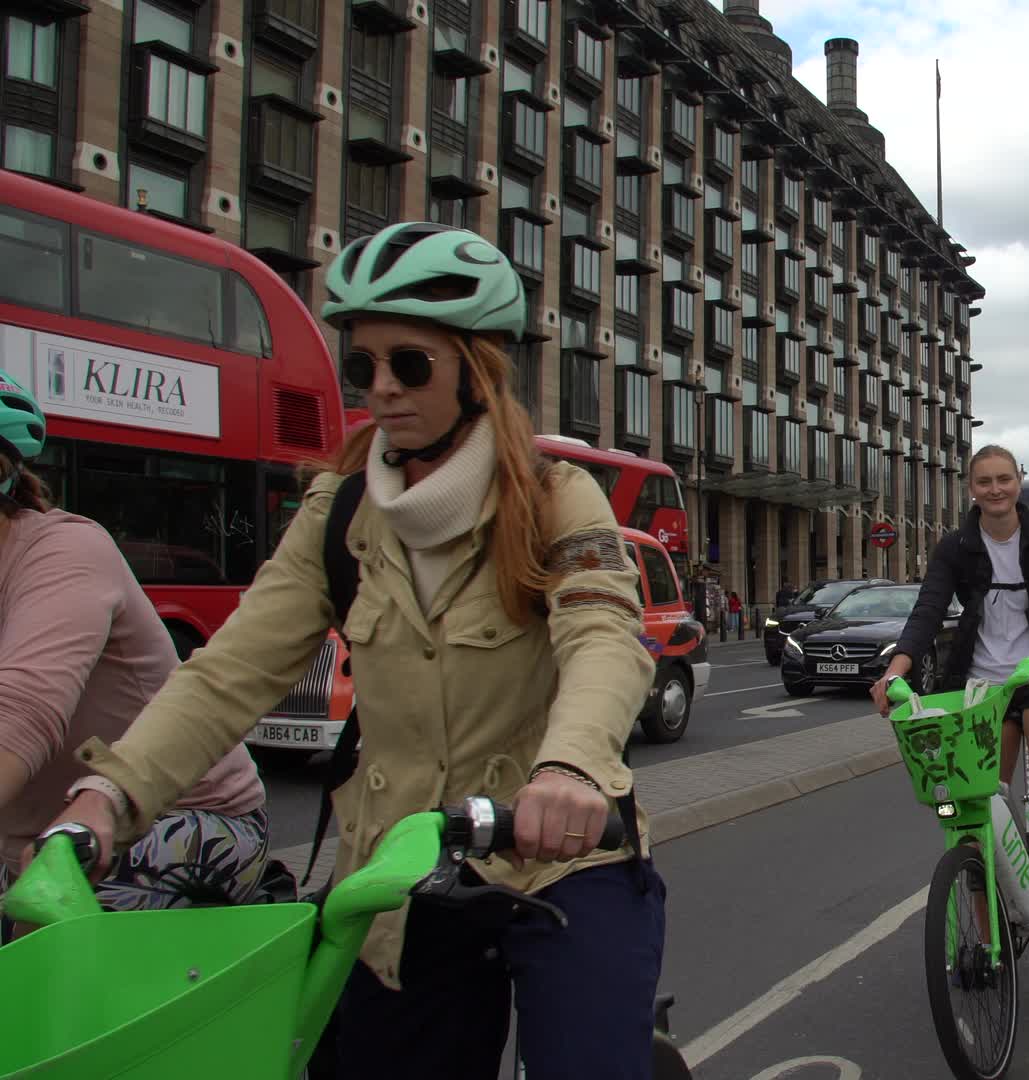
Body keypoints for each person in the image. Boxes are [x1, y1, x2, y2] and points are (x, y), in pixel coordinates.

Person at [37, 223, 665, 1077]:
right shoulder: (339, 513)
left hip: (557, 857)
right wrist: (110, 793)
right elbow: (228, 674)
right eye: (358, 363)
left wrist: (572, 773)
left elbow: (602, 637)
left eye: (409, 364)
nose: (380, 390)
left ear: (477, 372)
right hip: (400, 875)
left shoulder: (558, 498)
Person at [0, 375, 270, 923]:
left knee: (50, 975)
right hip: (32, 844)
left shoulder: (65, 550)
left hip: (178, 819)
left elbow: (23, 711)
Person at [874, 445, 1029, 985]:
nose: (996, 489)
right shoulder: (957, 546)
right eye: (985, 481)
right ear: (971, 488)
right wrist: (897, 670)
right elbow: (928, 610)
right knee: (975, 814)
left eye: (1004, 479)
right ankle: (987, 942)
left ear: (1018, 483)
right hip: (980, 689)